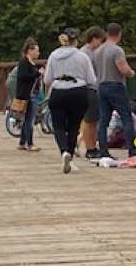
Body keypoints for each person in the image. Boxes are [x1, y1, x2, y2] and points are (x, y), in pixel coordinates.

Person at [45, 28, 97, 174]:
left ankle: (64, 152)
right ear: (76, 40)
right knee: (74, 126)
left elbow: (47, 79)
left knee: (59, 126)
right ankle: (71, 157)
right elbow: (92, 80)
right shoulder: (82, 56)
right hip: (78, 92)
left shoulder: (53, 56)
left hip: (58, 92)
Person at [95, 23, 135, 158]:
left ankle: (103, 151)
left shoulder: (98, 51)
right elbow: (123, 69)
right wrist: (131, 73)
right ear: (119, 34)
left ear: (107, 34)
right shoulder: (117, 51)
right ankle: (132, 150)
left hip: (101, 85)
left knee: (103, 121)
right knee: (126, 118)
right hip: (116, 85)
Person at [80, 26, 105, 159]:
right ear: (93, 39)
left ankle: (93, 147)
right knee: (89, 120)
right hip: (88, 88)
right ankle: (89, 147)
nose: (101, 44)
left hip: (94, 88)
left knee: (94, 120)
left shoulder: (93, 52)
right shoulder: (85, 53)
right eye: (100, 40)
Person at [15, 38, 42, 152]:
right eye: (36, 50)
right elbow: (23, 76)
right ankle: (30, 143)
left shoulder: (30, 63)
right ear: (29, 51)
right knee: (29, 120)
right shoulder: (24, 62)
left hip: (31, 94)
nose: (38, 53)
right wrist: (37, 73)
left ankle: (22, 142)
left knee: (27, 119)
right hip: (28, 95)